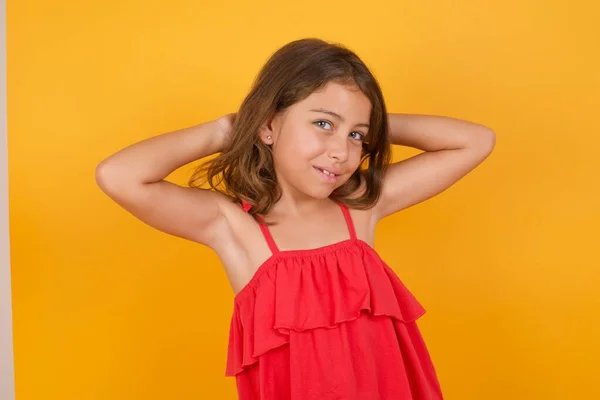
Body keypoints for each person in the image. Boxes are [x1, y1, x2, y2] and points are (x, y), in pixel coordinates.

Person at [96, 38, 495, 399]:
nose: (341, 151)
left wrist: (374, 123)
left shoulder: (360, 204)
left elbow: (475, 141)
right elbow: (118, 176)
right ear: (268, 125)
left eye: (357, 136)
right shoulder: (233, 225)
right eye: (323, 124)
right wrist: (225, 130)